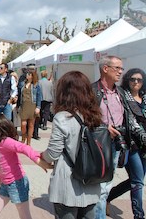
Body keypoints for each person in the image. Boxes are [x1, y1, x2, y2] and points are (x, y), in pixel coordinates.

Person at [41, 71, 102, 218]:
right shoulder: (95, 115)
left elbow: (53, 153)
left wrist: (42, 156)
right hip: (91, 180)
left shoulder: (62, 117)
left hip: (68, 182)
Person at [92, 56, 144, 219]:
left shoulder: (120, 92)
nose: (121, 72)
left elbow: (130, 117)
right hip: (97, 144)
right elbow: (84, 117)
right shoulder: (92, 90)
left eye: (122, 69)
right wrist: (103, 126)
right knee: (99, 188)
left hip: (116, 146)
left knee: (105, 187)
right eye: (117, 68)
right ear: (105, 69)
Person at [0, 114, 50, 219]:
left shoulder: (6, 142)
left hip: (17, 183)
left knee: (24, 214)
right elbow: (1, 163)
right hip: (6, 184)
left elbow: (25, 148)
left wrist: (38, 161)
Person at [106, 68, 146, 218]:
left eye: (139, 79)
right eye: (133, 79)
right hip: (132, 144)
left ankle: (108, 197)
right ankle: (139, 215)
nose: (136, 82)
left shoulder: (145, 98)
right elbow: (129, 122)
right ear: (127, 80)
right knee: (137, 181)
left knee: (136, 180)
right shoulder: (123, 97)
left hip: (145, 147)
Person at [17, 70, 42, 146]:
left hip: (32, 105)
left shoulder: (36, 85)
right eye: (27, 74)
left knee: (31, 125)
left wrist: (38, 107)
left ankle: (28, 142)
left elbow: (39, 96)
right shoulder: (22, 84)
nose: (27, 75)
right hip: (24, 105)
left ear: (32, 76)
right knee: (23, 124)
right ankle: (23, 138)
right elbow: (19, 94)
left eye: (29, 74)